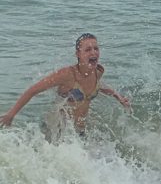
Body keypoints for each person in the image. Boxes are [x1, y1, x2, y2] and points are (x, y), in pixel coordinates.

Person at [0, 33, 131, 139]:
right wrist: (11, 115)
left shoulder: (97, 72)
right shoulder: (67, 74)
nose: (93, 52)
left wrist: (118, 96)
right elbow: (32, 91)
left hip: (78, 131)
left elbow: (99, 85)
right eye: (88, 49)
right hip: (56, 130)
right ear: (78, 54)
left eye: (96, 48)